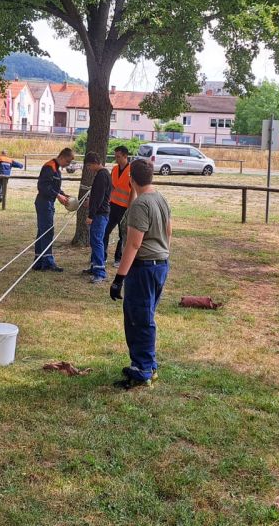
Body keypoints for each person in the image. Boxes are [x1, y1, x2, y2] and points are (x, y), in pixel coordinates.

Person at [110, 159, 172, 389]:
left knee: (139, 319)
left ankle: (143, 369)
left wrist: (119, 278)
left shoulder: (141, 205)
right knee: (145, 316)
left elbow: (134, 245)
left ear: (130, 179)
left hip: (144, 268)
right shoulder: (160, 199)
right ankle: (147, 364)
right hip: (160, 264)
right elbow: (168, 231)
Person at [32, 148, 73, 272]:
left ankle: (38, 262)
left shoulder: (56, 169)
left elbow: (54, 187)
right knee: (47, 232)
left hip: (48, 202)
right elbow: (43, 186)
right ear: (62, 157)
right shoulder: (49, 167)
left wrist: (63, 194)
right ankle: (48, 263)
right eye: (68, 161)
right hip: (44, 203)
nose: (68, 164)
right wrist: (57, 195)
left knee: (42, 232)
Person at [82, 151, 112, 284]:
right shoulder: (103, 174)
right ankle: (94, 267)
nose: (89, 169)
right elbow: (98, 195)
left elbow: (99, 198)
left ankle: (100, 272)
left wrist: (91, 215)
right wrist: (90, 200)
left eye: (89, 166)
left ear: (94, 163)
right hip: (100, 213)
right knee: (95, 241)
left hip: (100, 214)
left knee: (97, 241)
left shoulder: (101, 175)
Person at [103, 145, 135, 269]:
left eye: (118, 157)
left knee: (123, 235)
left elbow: (133, 191)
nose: (116, 159)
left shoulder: (132, 170)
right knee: (105, 232)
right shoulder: (115, 169)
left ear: (125, 156)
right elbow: (111, 186)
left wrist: (130, 207)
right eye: (115, 156)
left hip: (125, 208)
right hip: (112, 206)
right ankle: (103, 257)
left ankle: (118, 258)